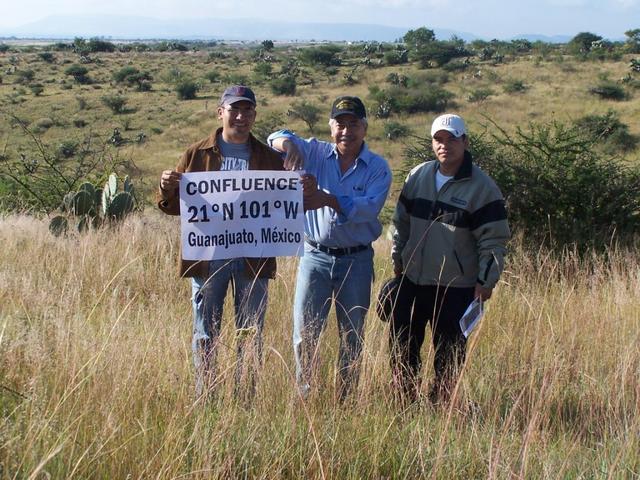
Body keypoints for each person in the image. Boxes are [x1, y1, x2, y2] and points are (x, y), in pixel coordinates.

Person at [157, 85, 284, 400]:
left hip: (253, 258)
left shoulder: (269, 158)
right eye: (234, 110)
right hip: (209, 256)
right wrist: (166, 188)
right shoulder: (197, 154)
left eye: (247, 111)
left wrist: (301, 189)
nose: (241, 117)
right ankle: (206, 399)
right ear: (220, 113)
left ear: (254, 115)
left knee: (249, 334)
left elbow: (283, 206)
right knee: (205, 334)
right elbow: (175, 208)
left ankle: (244, 401)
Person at [268, 96, 392, 401]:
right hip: (315, 257)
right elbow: (274, 136)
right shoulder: (316, 152)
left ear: (364, 128)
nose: (346, 131)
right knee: (305, 334)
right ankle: (306, 396)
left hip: (357, 261)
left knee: (352, 335)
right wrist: (290, 146)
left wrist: (328, 199)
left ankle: (346, 400)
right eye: (340, 124)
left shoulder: (378, 168)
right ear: (330, 127)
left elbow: (368, 209)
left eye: (353, 124)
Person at [390, 113, 510, 404]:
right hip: (412, 279)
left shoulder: (482, 188)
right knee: (401, 348)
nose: (445, 145)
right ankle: (404, 403)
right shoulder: (418, 176)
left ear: (465, 142)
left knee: (449, 353)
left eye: (452, 139)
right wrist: (398, 257)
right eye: (438, 139)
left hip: (455, 285)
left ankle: (442, 407)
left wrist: (486, 281)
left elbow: (493, 240)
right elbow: (401, 222)